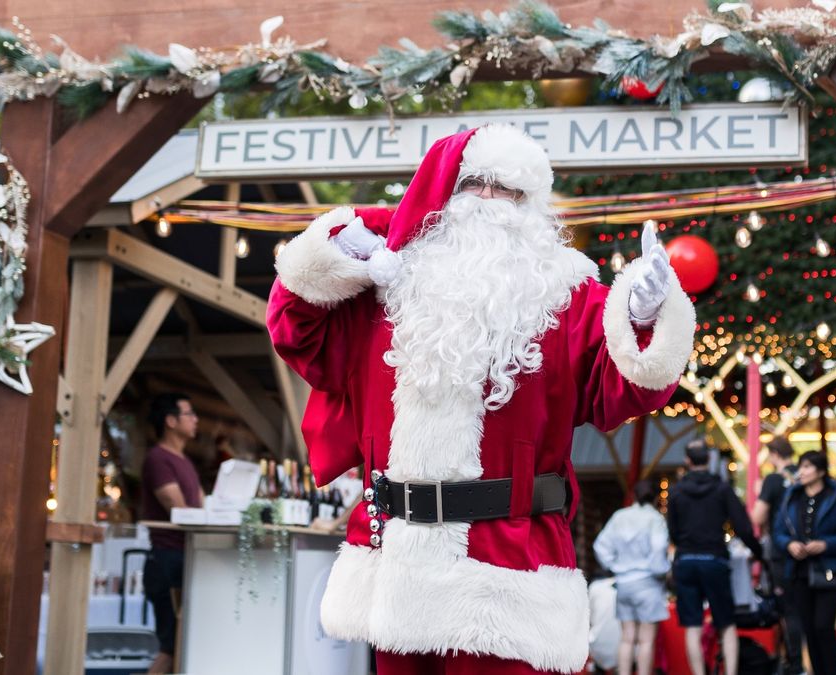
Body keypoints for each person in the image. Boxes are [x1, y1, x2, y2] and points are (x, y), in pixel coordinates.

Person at [267, 124, 696, 674]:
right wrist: (338, 254)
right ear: (444, 192)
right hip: (401, 565)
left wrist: (641, 317)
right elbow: (294, 331)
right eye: (475, 184)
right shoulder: (385, 285)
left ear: (533, 205)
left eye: (510, 190)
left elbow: (626, 386)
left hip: (512, 569)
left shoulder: (569, 297)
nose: (491, 201)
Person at [667, 440, 765, 675]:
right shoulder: (722, 488)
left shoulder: (676, 491)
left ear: (687, 461)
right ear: (709, 460)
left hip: (687, 561)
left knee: (692, 625)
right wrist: (758, 551)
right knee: (726, 622)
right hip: (715, 560)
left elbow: (672, 531)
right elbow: (742, 525)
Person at [772, 451, 836, 675]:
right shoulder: (791, 499)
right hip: (799, 572)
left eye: (808, 467)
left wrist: (825, 545)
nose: (801, 471)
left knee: (823, 626)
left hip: (829, 572)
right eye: (800, 466)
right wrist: (789, 545)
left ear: (820, 471)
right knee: (809, 629)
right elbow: (778, 532)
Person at [140, 393, 204, 674]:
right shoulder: (158, 459)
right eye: (189, 414)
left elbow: (202, 506)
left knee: (183, 643)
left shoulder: (185, 462)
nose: (195, 419)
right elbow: (180, 509)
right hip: (166, 560)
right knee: (171, 646)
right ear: (170, 420)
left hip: (184, 557)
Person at [593, 479, 671, 675]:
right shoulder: (655, 519)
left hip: (624, 583)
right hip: (649, 584)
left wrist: (613, 566)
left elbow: (600, 545)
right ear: (654, 498)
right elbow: (659, 549)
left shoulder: (620, 516)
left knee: (627, 638)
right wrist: (662, 571)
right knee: (646, 640)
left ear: (634, 496)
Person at [749, 437, 804, 674]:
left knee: (786, 608)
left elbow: (758, 518)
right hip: (806, 548)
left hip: (781, 551)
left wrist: (758, 493)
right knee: (801, 607)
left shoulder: (773, 480)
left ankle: (794, 662)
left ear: (774, 455)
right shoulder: (805, 476)